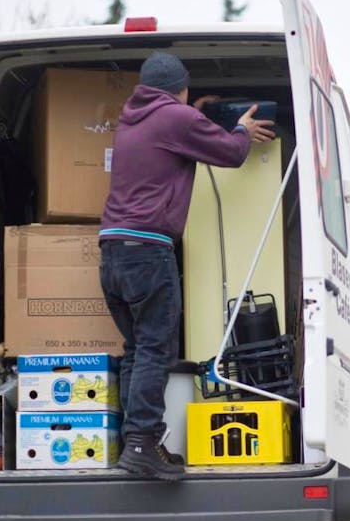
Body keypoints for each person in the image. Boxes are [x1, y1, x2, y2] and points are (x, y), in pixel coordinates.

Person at [99, 51, 275, 480]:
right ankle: (142, 445)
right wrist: (240, 127)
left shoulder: (132, 120)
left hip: (113, 252)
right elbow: (233, 153)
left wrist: (193, 114)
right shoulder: (175, 120)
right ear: (181, 88)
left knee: (137, 351)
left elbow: (173, 132)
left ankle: (135, 443)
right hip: (148, 251)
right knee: (156, 349)